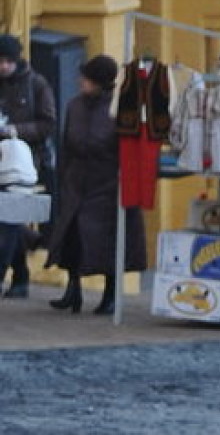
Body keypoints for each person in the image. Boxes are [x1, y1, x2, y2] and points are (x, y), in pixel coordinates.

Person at [45, 55, 147, 315]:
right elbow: (67, 143)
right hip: (77, 181)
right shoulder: (74, 106)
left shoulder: (119, 110)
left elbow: (128, 151)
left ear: (101, 83)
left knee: (108, 241)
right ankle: (73, 290)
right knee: (72, 237)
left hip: (108, 185)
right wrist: (64, 178)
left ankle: (110, 294)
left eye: (87, 78)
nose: (81, 81)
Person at [0, 32, 56, 299]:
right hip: (2, 163)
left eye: (7, 61)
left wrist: (14, 130)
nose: (3, 67)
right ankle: (21, 272)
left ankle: (11, 275)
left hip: (24, 166)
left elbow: (47, 124)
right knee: (7, 221)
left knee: (9, 222)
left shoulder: (36, 84)